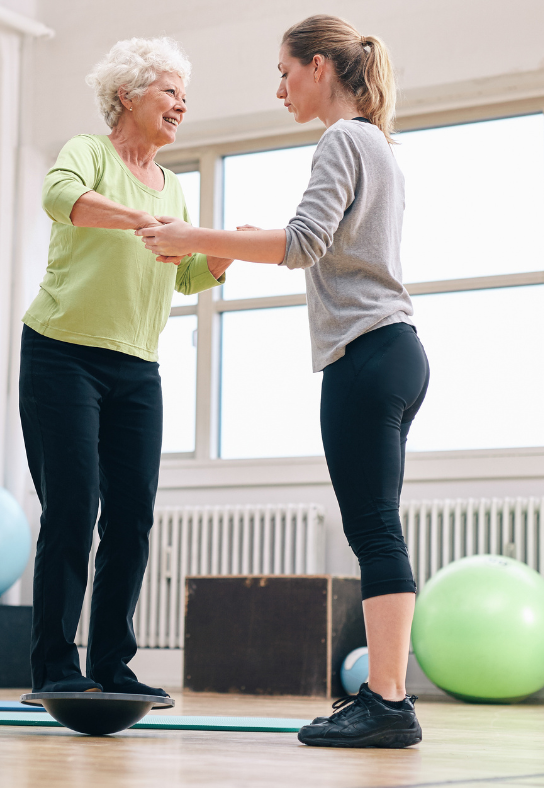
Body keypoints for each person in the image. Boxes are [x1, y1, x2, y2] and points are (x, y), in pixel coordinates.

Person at [138, 15, 429, 746]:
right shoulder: (380, 146)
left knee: (372, 530)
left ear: (322, 66)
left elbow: (303, 244)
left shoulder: (343, 138)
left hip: (365, 353)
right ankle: (390, 700)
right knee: (378, 526)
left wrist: (193, 236)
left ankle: (389, 704)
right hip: (395, 349)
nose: (279, 88)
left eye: (285, 71)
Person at [19, 37, 232, 697]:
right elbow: (63, 199)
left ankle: (112, 665)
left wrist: (219, 255)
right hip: (62, 355)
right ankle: (55, 667)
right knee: (73, 509)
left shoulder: (175, 185)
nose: (181, 103)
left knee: (131, 516)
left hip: (137, 368)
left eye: (182, 93)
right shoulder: (89, 152)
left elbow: (185, 273)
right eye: (169, 90)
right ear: (127, 95)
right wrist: (146, 221)